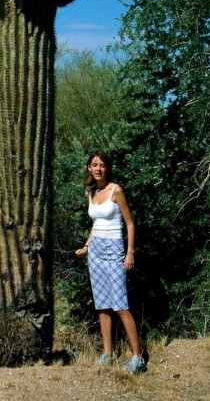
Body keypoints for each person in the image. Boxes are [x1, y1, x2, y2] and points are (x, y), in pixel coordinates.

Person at [74, 151, 147, 374]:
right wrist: (86, 246)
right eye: (94, 165)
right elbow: (95, 225)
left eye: (102, 165)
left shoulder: (116, 191)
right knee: (103, 305)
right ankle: (108, 353)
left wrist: (130, 252)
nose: (98, 168)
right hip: (95, 251)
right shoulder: (91, 193)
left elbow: (130, 223)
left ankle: (137, 358)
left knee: (121, 305)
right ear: (89, 168)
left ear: (107, 168)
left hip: (115, 250)